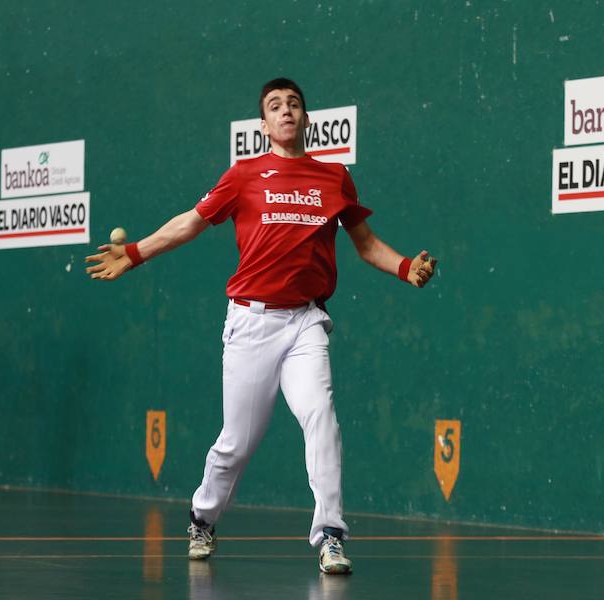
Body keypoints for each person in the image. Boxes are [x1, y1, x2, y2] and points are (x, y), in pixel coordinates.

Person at [86, 77, 437, 575]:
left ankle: (331, 535)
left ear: (306, 118)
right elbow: (191, 221)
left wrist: (405, 266)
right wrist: (137, 252)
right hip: (252, 323)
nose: (287, 111)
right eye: (276, 106)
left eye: (294, 104)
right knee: (237, 441)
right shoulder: (244, 175)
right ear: (265, 124)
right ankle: (202, 518)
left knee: (322, 417)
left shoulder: (334, 177)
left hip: (306, 322)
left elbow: (365, 242)